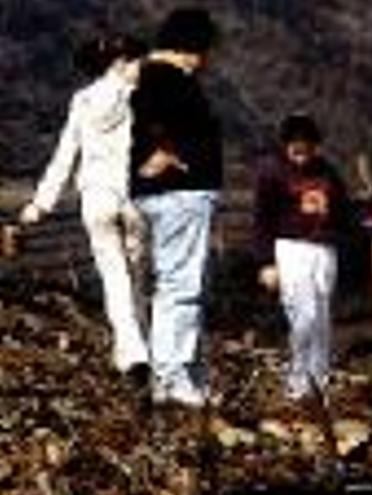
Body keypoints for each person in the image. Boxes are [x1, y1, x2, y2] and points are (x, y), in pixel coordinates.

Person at [19, 33, 149, 376]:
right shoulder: (144, 98)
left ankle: (131, 352)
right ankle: (140, 349)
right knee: (136, 277)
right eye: (137, 61)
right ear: (120, 63)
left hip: (96, 198)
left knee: (114, 277)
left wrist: (40, 204)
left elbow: (65, 155)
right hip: (136, 197)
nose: (141, 67)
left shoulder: (83, 100)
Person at [129, 8, 221, 407]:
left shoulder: (145, 76)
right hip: (181, 194)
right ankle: (172, 377)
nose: (208, 61)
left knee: (173, 283)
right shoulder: (167, 79)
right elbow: (150, 121)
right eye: (207, 50)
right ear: (193, 47)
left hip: (170, 194)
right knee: (181, 285)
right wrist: (162, 151)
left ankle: (176, 373)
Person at [254, 114, 353, 399]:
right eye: (294, 149)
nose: (300, 155)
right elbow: (262, 220)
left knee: (322, 316)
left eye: (306, 149)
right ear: (285, 146)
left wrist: (362, 222)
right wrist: (265, 262)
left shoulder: (327, 172)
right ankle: (298, 382)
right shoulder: (271, 172)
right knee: (303, 314)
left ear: (315, 146)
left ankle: (319, 382)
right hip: (291, 248)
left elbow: (343, 213)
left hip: (324, 250)